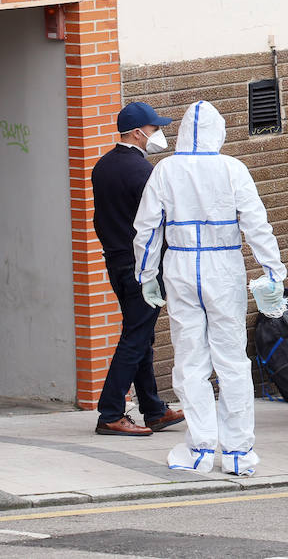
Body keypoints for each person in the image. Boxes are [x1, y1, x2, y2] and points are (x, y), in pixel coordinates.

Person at [133, 100, 286, 476]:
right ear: (219, 132)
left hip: (181, 265)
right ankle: (237, 452)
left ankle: (199, 449)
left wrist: (146, 274)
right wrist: (272, 272)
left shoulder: (165, 171)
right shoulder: (233, 169)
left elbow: (148, 228)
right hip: (223, 266)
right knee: (231, 360)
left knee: (190, 362)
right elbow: (256, 224)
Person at [90, 101, 184, 437]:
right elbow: (159, 220)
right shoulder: (144, 172)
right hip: (141, 266)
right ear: (137, 133)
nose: (158, 134)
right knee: (134, 337)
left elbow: (100, 219)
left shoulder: (101, 167)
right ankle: (111, 412)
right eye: (155, 128)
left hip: (115, 262)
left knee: (140, 334)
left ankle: (154, 409)